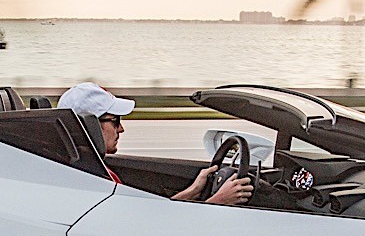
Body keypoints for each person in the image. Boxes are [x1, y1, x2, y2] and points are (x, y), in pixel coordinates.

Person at [58, 82, 252, 206]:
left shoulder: (96, 169)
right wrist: (219, 202)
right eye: (115, 121)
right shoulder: (92, 180)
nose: (121, 129)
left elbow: (155, 218)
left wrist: (194, 190)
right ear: (88, 125)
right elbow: (152, 233)